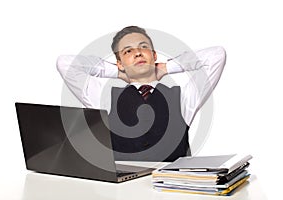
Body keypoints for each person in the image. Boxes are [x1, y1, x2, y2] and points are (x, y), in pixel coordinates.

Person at [57, 26, 226, 162]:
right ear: (119, 63)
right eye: (127, 51)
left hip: (172, 190)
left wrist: (167, 67)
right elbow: (65, 64)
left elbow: (216, 56)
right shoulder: (104, 100)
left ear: (154, 56)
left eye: (143, 47)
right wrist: (118, 72)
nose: (138, 53)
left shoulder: (183, 99)